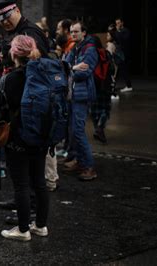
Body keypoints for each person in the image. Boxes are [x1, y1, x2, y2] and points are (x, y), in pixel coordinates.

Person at [0, 35, 49, 241]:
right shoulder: (44, 72)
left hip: (18, 139)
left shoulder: (10, 79)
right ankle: (40, 226)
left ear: (14, 54)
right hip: (41, 135)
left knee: (21, 185)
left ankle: (22, 230)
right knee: (39, 183)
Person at [64, 21, 98, 181]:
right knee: (71, 129)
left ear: (84, 33)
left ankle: (89, 167)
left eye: (76, 31)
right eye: (71, 32)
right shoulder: (75, 48)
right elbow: (64, 66)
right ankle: (77, 160)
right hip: (72, 94)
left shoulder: (90, 50)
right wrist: (73, 68)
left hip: (82, 96)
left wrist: (71, 69)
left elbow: (84, 73)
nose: (73, 34)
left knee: (78, 130)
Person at [115, 18, 133, 93]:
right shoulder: (118, 31)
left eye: (119, 23)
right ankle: (112, 86)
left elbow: (123, 40)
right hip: (119, 53)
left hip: (124, 53)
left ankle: (129, 86)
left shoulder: (126, 31)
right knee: (118, 70)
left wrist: (118, 31)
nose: (117, 25)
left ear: (122, 23)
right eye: (116, 23)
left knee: (123, 69)